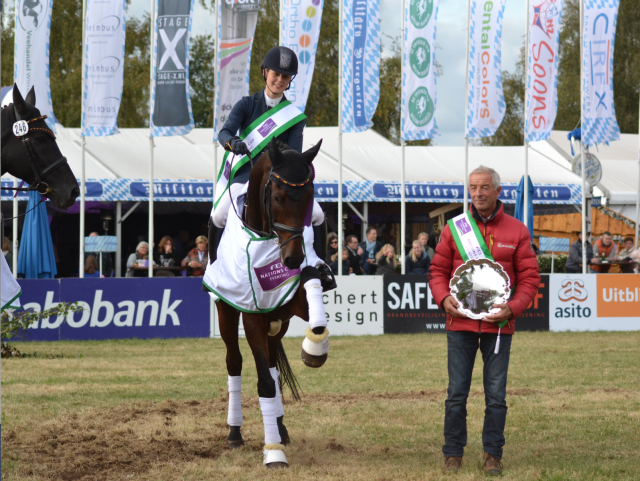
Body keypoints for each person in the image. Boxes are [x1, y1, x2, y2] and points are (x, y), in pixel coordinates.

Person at [428, 166, 540, 475]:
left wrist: (513, 308)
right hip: (460, 324)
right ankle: (453, 453)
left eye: (484, 187)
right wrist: (443, 298)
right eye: (473, 187)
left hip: (499, 327)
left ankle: (493, 454)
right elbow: (437, 271)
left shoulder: (517, 231)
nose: (478, 193)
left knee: (496, 397)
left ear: (498, 191)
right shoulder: (455, 228)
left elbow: (530, 278)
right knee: (456, 395)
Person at [209, 45, 334, 291]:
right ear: (265, 73)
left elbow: (294, 155)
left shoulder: (295, 117)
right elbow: (224, 132)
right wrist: (232, 142)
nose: (279, 79)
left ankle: (321, 265)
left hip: (277, 179)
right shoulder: (246, 105)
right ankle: (213, 266)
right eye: (275, 74)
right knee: (218, 214)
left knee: (318, 214)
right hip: (246, 176)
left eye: (285, 76)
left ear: (290, 81)